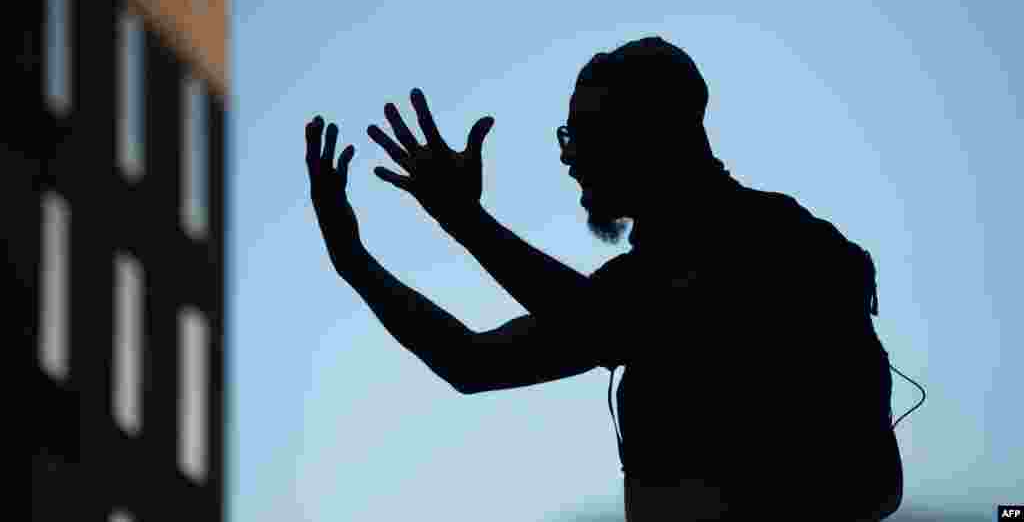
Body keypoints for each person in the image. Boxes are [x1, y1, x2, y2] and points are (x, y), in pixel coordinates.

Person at [304, 36, 903, 520]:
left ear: (652, 133)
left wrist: (462, 219)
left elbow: (605, 321)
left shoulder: (772, 242)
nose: (569, 156)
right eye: (568, 136)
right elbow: (473, 362)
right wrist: (354, 262)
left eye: (583, 134)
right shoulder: (644, 283)